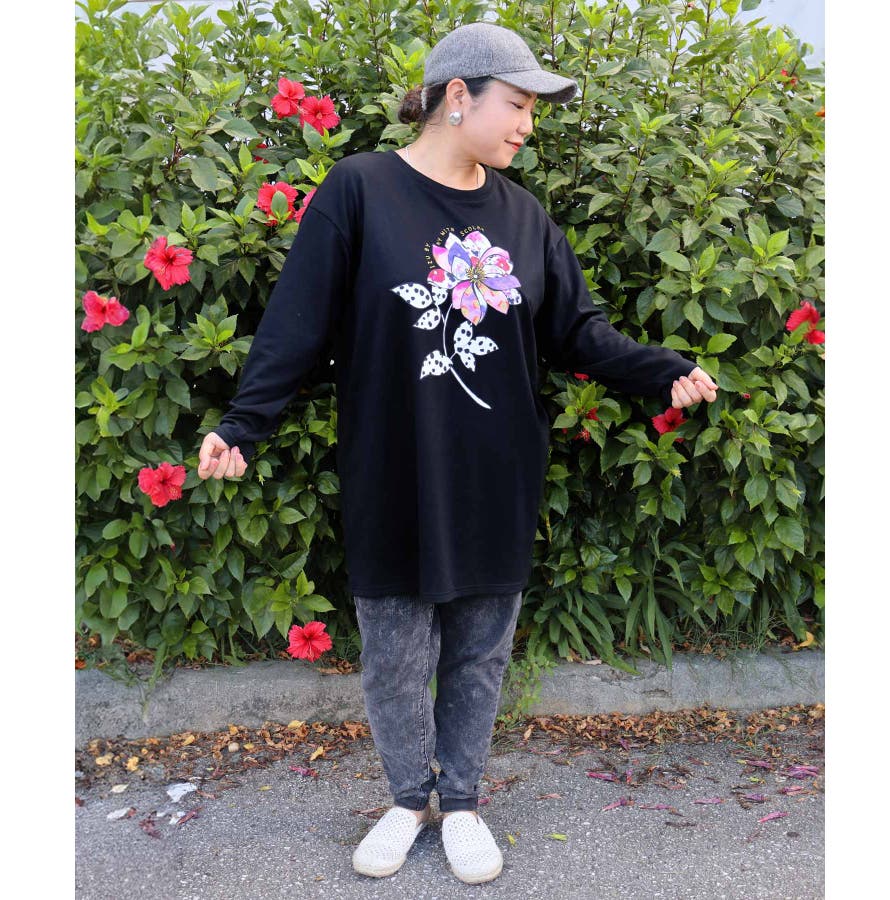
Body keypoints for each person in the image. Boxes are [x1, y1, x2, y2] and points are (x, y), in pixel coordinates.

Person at [197, 21, 717, 886]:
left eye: (534, 111)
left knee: (480, 650)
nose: (527, 126)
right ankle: (409, 800)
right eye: (517, 104)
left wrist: (662, 369)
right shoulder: (361, 189)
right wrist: (244, 423)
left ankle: (463, 802)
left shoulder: (524, 217)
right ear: (457, 96)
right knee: (395, 654)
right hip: (393, 469)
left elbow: (577, 331)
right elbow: (297, 323)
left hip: (495, 470)